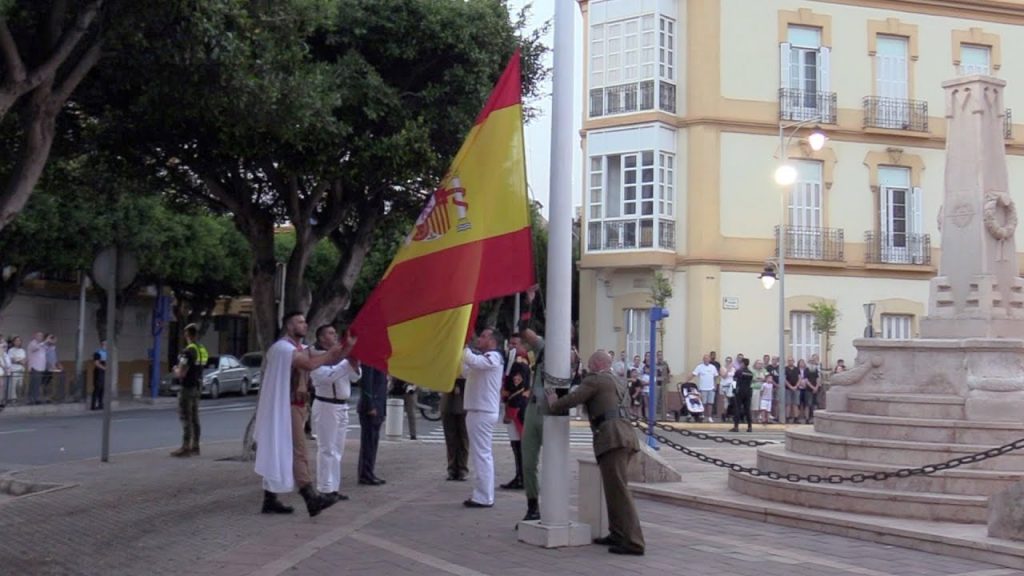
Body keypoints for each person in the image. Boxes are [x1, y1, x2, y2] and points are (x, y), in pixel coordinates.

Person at [547, 350, 644, 556]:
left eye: (591, 365)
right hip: (624, 436)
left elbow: (574, 398)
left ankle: (634, 542)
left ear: (598, 364)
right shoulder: (618, 381)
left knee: (619, 491)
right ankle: (617, 534)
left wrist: (554, 402)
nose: (589, 368)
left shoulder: (596, 380)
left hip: (611, 438)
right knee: (613, 489)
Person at [254, 311, 351, 517]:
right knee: (299, 451)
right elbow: (309, 363)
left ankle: (270, 499)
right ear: (289, 326)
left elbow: (326, 358)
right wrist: (335, 351)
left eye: (304, 321)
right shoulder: (283, 349)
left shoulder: (299, 348)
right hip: (287, 406)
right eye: (299, 322)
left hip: (296, 406)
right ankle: (310, 497)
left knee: (281, 449)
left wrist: (347, 346)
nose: (305, 325)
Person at [310, 324, 362, 501]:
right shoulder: (315, 356)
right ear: (321, 338)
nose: (334, 336)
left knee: (338, 449)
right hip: (326, 405)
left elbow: (355, 377)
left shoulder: (340, 357)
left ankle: (334, 487)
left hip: (342, 405)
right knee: (326, 449)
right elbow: (327, 376)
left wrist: (354, 363)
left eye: (335, 333)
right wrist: (347, 363)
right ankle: (325, 488)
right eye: (330, 333)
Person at [461, 327, 504, 508]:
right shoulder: (484, 359)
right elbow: (466, 371)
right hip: (477, 410)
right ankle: (482, 494)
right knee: (480, 455)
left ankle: (484, 496)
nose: (480, 338)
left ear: (493, 341)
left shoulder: (493, 357)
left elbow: (474, 361)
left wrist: (462, 347)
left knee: (482, 455)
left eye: (484, 336)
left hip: (483, 411)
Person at [519, 327, 545, 521]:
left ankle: (552, 507)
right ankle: (532, 505)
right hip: (533, 407)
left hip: (551, 412)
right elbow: (526, 332)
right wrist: (528, 303)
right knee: (528, 461)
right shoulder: (542, 348)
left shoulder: (567, 352)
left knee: (554, 463)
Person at [171, 325, 207, 457]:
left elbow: (181, 373)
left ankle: (185, 447)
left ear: (188, 335)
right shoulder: (202, 349)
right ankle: (195, 446)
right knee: (195, 418)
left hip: (187, 388)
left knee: (186, 417)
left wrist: (175, 369)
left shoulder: (188, 351)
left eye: (185, 334)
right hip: (197, 387)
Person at [499, 358, 530, 490]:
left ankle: (522, 478)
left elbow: (517, 388)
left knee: (519, 446)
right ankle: (520, 476)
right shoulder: (511, 360)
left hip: (517, 409)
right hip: (517, 407)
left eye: (515, 343)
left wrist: (510, 412)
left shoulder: (519, 363)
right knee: (517, 445)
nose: (512, 346)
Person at [357, 365, 388, 486]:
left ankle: (369, 471)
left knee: (373, 442)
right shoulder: (370, 361)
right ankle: (365, 474)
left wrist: (383, 410)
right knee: (368, 442)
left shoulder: (379, 361)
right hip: (371, 407)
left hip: (378, 406)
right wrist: (370, 406)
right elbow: (366, 384)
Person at [442, 376, 469, 481]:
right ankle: (452, 468)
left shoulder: (469, 360)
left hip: (464, 400)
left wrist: (459, 385)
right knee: (450, 438)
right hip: (448, 401)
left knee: (463, 438)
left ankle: (462, 468)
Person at [691, 355, 718, 423]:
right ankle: (702, 415)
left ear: (709, 360)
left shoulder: (713, 367)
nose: (706, 360)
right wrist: (686, 381)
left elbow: (715, 377)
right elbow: (693, 374)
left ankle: (709, 417)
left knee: (710, 403)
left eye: (707, 359)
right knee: (703, 403)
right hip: (702, 388)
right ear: (703, 360)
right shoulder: (699, 367)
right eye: (705, 359)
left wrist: (715, 385)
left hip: (711, 388)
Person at [730, 358, 754, 433]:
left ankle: (736, 427)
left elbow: (734, 381)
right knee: (747, 409)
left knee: (737, 409)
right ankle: (750, 427)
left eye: (741, 363)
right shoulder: (750, 373)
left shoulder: (739, 371)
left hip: (740, 392)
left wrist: (733, 390)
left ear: (743, 364)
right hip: (748, 392)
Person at [27, 332, 46, 404]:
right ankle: (31, 399)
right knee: (33, 384)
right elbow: (35, 348)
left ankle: (36, 398)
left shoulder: (43, 345)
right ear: (35, 336)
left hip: (41, 367)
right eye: (39, 335)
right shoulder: (32, 343)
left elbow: (48, 350)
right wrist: (45, 341)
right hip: (34, 367)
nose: (40, 337)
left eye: (42, 336)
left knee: (38, 384)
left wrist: (49, 342)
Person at [7, 336, 25, 402]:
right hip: (14, 370)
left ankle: (19, 397)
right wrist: (18, 361)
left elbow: (23, 360)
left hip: (21, 370)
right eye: (16, 340)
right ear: (14, 342)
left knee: (20, 385)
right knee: (13, 385)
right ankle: (13, 399)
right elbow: (11, 360)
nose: (18, 342)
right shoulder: (11, 350)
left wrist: (17, 360)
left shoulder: (22, 350)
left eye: (19, 340)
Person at [91, 341, 108, 411]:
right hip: (99, 371)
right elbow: (96, 363)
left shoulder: (107, 352)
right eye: (105, 344)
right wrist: (104, 368)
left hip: (104, 371)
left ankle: (100, 404)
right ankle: (93, 405)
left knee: (102, 388)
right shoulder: (98, 352)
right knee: (97, 388)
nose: (106, 345)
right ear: (102, 344)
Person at [784, 357, 800, 424]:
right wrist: (790, 386)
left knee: (795, 404)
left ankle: (796, 418)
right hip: (788, 388)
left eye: (791, 360)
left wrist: (796, 386)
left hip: (796, 388)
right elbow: (784, 379)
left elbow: (800, 378)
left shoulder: (797, 369)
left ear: (794, 361)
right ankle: (787, 418)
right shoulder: (785, 369)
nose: (790, 362)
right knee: (788, 403)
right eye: (789, 361)